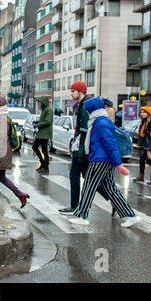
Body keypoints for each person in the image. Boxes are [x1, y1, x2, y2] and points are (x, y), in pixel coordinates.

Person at [68, 97, 141, 228]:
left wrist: (119, 165)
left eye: (88, 110)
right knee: (111, 189)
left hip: (100, 160)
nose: (87, 113)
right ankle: (130, 215)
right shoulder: (101, 121)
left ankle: (82, 215)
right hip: (104, 159)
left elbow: (110, 144)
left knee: (88, 187)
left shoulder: (100, 122)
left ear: (93, 110)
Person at [0, 96, 30, 208]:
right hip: (0, 150)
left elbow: (1, 137)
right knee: (0, 176)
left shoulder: (1, 117)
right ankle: (20, 194)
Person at [59, 81, 92, 215]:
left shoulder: (85, 106)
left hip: (82, 149)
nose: (71, 93)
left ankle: (74, 206)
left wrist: (81, 150)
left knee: (75, 175)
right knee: (89, 177)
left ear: (81, 92)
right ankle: (114, 200)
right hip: (81, 148)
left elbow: (84, 130)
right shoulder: (82, 104)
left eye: (73, 91)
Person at [32, 96, 53, 174]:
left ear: (43, 102)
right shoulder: (44, 109)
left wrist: (37, 125)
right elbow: (44, 120)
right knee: (35, 147)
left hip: (45, 134)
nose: (39, 103)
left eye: (40, 102)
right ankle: (43, 164)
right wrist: (37, 122)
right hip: (41, 133)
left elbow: (47, 121)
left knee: (44, 150)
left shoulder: (49, 110)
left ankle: (45, 166)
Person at [133, 107, 151, 182]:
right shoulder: (142, 121)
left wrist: (150, 145)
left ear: (148, 113)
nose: (142, 114)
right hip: (142, 142)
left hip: (148, 143)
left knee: (148, 160)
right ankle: (141, 175)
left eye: (144, 112)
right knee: (142, 159)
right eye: (141, 112)